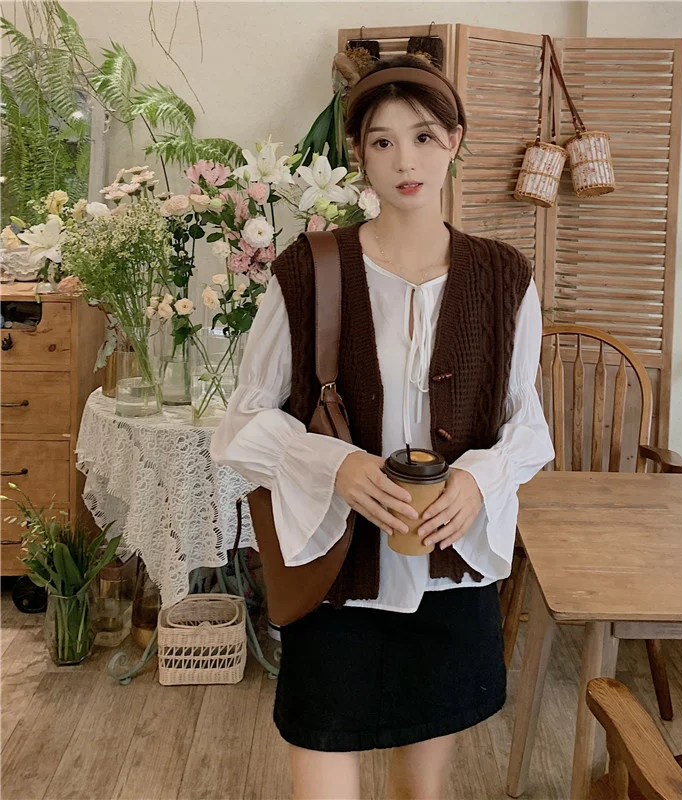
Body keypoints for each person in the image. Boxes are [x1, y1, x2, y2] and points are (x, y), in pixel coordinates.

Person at [210, 53, 554, 800]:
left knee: (418, 793)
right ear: (358, 154)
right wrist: (334, 464)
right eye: (382, 141)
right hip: (336, 578)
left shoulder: (504, 277)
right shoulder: (308, 270)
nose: (406, 161)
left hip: (449, 572)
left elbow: (529, 427)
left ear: (455, 141)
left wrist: (478, 479)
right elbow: (239, 420)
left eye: (424, 137)